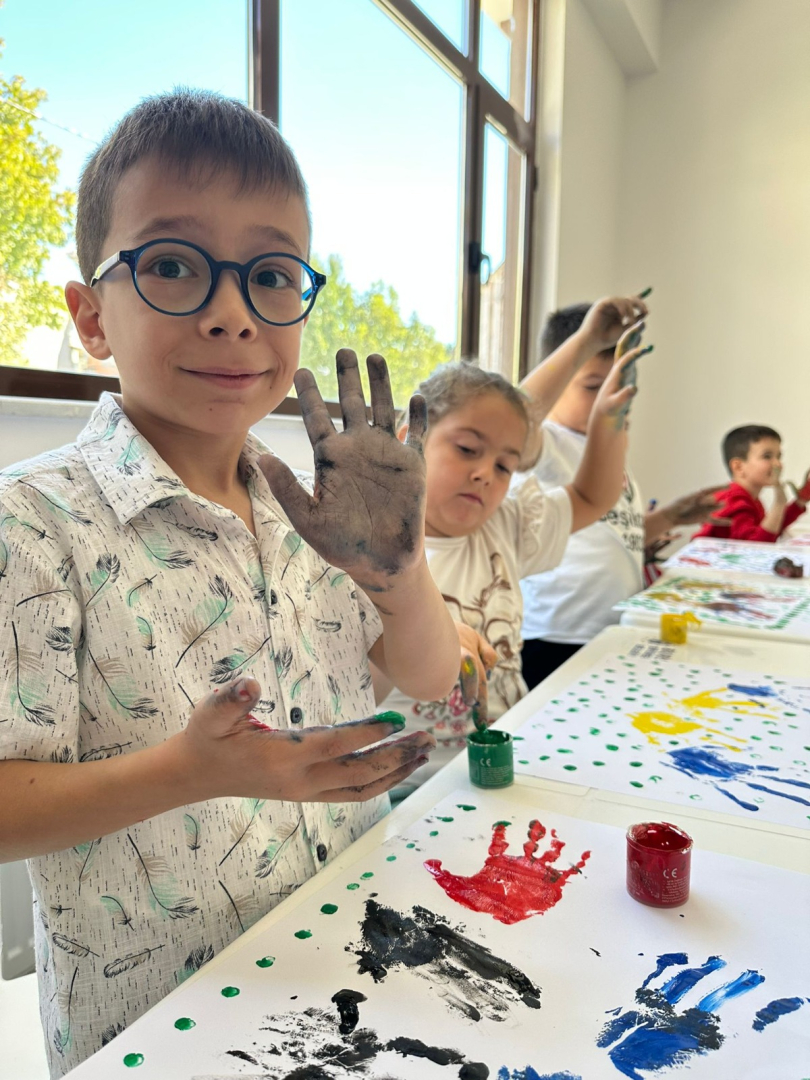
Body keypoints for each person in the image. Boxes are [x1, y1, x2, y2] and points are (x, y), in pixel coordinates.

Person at [0, 90, 460, 1077]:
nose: (230, 315)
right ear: (90, 316)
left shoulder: (316, 510)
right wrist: (192, 771)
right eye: (172, 264)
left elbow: (426, 676)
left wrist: (401, 572)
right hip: (165, 1030)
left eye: (271, 276)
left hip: (351, 969)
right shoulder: (29, 524)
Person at [375, 294, 651, 792]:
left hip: (504, 770)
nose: (485, 472)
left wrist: (608, 421)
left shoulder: (504, 527)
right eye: (466, 449)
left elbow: (592, 495)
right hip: (408, 787)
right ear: (409, 438)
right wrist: (585, 341)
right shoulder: (369, 551)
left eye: (505, 465)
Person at [520, 302, 726, 690]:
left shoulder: (605, 451)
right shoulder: (547, 445)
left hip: (612, 626)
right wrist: (585, 340)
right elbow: (514, 422)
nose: (609, 400)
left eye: (620, 386)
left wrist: (671, 517)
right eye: (592, 387)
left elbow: (613, 536)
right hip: (556, 633)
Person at [695, 425, 809, 542]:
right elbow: (755, 546)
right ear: (738, 467)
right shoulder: (734, 501)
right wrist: (779, 502)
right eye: (767, 456)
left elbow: (771, 529)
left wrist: (800, 501)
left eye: (778, 457)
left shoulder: (748, 498)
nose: (777, 464)